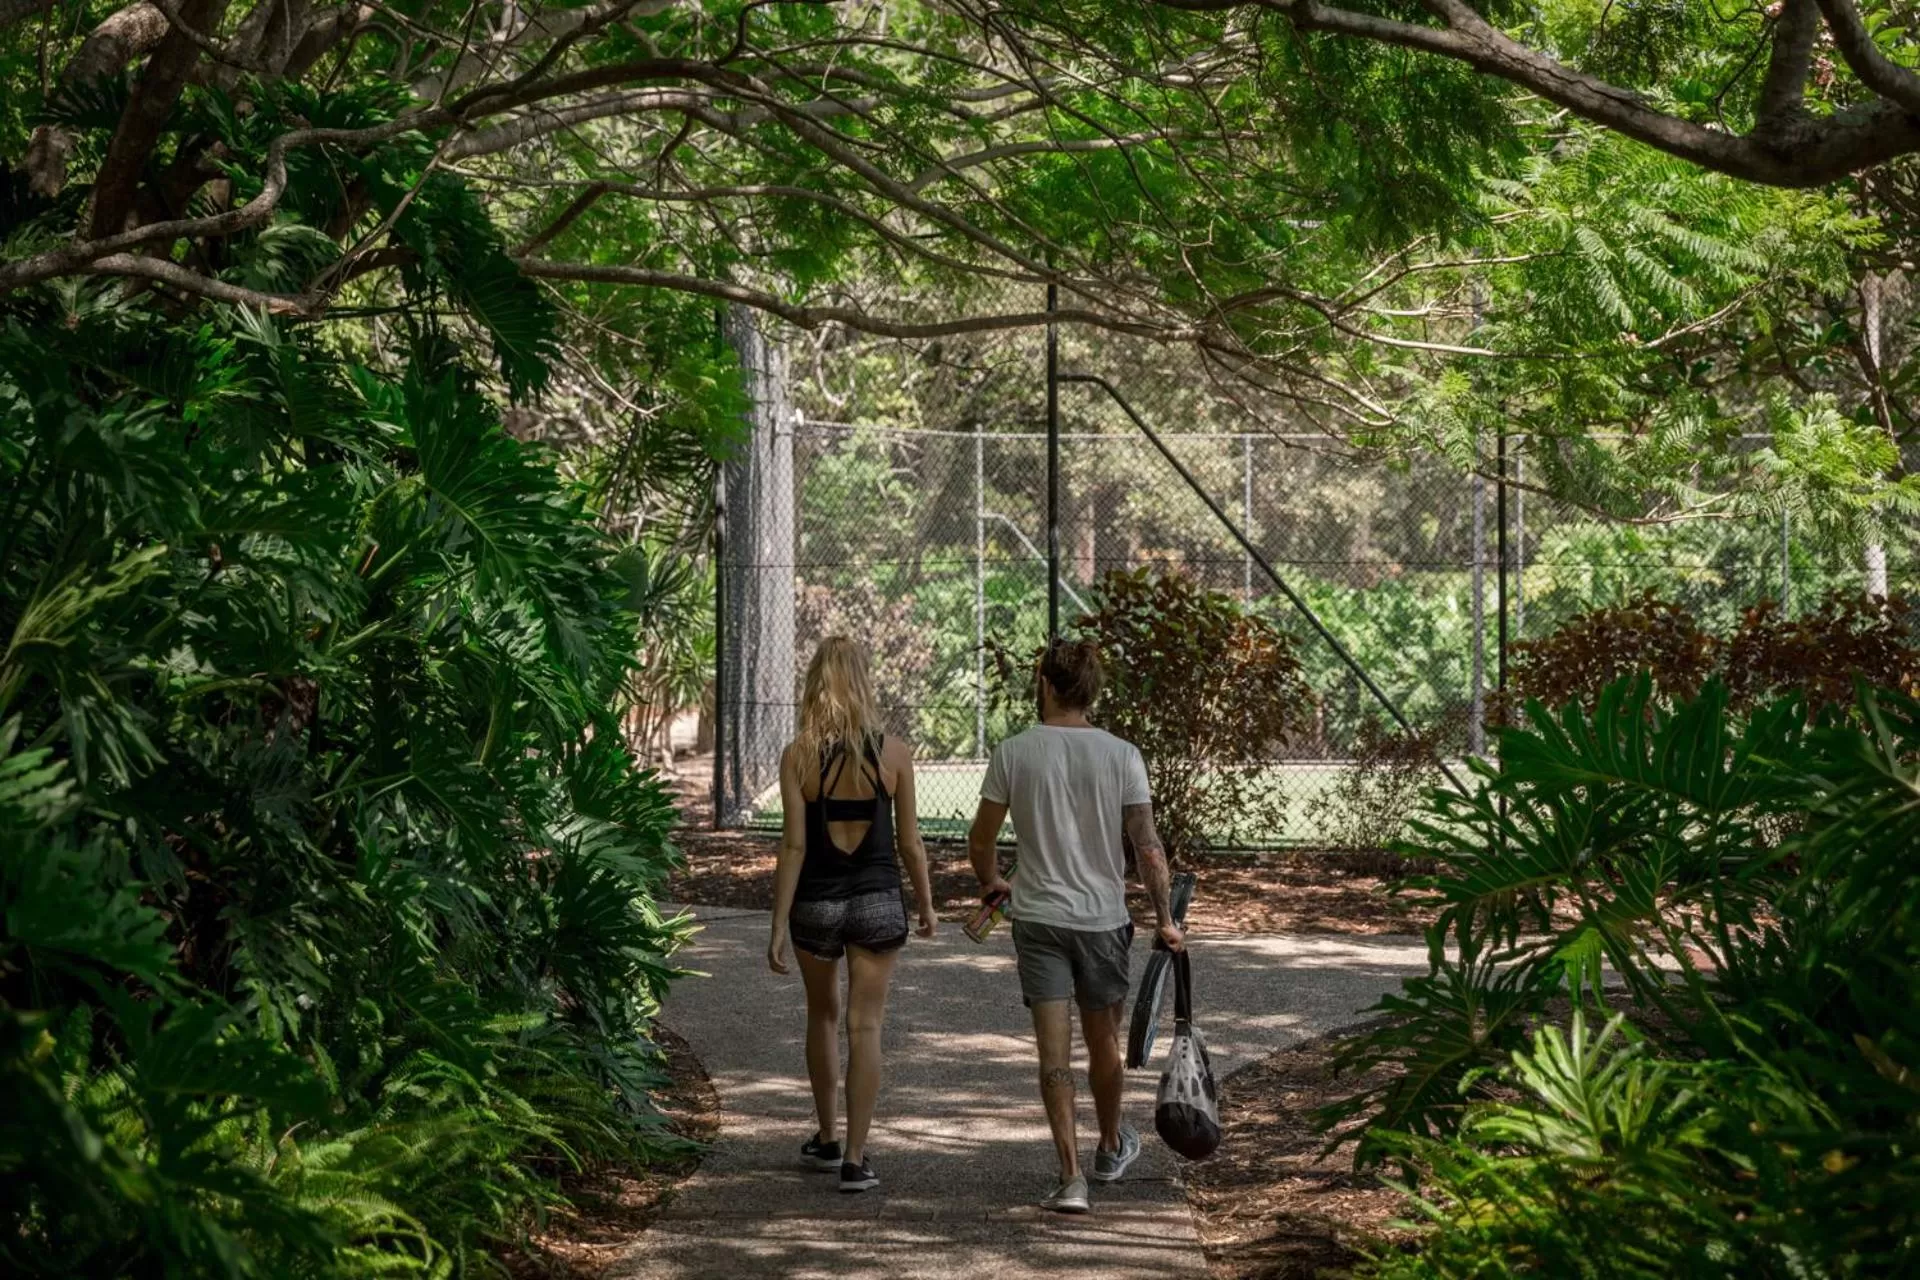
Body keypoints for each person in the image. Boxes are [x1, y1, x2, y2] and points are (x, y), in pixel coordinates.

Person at [965, 637, 1183, 1215]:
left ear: (1045, 684)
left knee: (1052, 1054)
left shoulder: (1015, 752)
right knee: (1103, 1040)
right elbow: (1147, 846)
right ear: (1093, 690)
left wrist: (991, 884)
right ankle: (1110, 1147)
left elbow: (981, 839)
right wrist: (1165, 920)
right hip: (1102, 920)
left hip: (1036, 918)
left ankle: (1069, 1179)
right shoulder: (1122, 755)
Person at [768, 637, 937, 1195]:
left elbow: (792, 848)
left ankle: (827, 1135)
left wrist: (777, 925)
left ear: (815, 683)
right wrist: (928, 906)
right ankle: (856, 1160)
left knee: (822, 1016)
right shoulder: (894, 753)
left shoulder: (798, 756)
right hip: (877, 901)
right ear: (864, 682)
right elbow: (910, 844)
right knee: (865, 1027)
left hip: (815, 903)